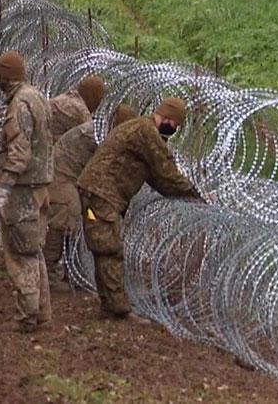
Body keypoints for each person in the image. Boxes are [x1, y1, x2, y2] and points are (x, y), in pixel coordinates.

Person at [76, 97, 201, 322]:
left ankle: (109, 306)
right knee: (109, 248)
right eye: (175, 125)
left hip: (99, 192)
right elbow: (166, 170)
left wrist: (180, 194)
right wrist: (195, 197)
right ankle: (119, 311)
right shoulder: (147, 132)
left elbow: (157, 177)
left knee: (104, 247)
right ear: (168, 119)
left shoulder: (140, 128)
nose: (174, 130)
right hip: (102, 194)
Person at [0, 51, 54, 332]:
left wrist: (3, 188)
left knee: (20, 253)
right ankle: (42, 312)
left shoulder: (19, 104)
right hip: (40, 185)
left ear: (4, 77)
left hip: (23, 190)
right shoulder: (37, 96)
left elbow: (19, 153)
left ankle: (27, 316)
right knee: (34, 250)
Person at [44, 105, 137, 291]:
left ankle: (74, 272)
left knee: (78, 223)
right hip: (59, 177)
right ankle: (48, 274)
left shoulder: (103, 132)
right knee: (64, 220)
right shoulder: (97, 137)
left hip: (72, 177)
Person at [46, 75, 104, 143]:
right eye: (99, 98)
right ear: (93, 95)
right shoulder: (81, 113)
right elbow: (91, 141)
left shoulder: (66, 97)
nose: (99, 104)